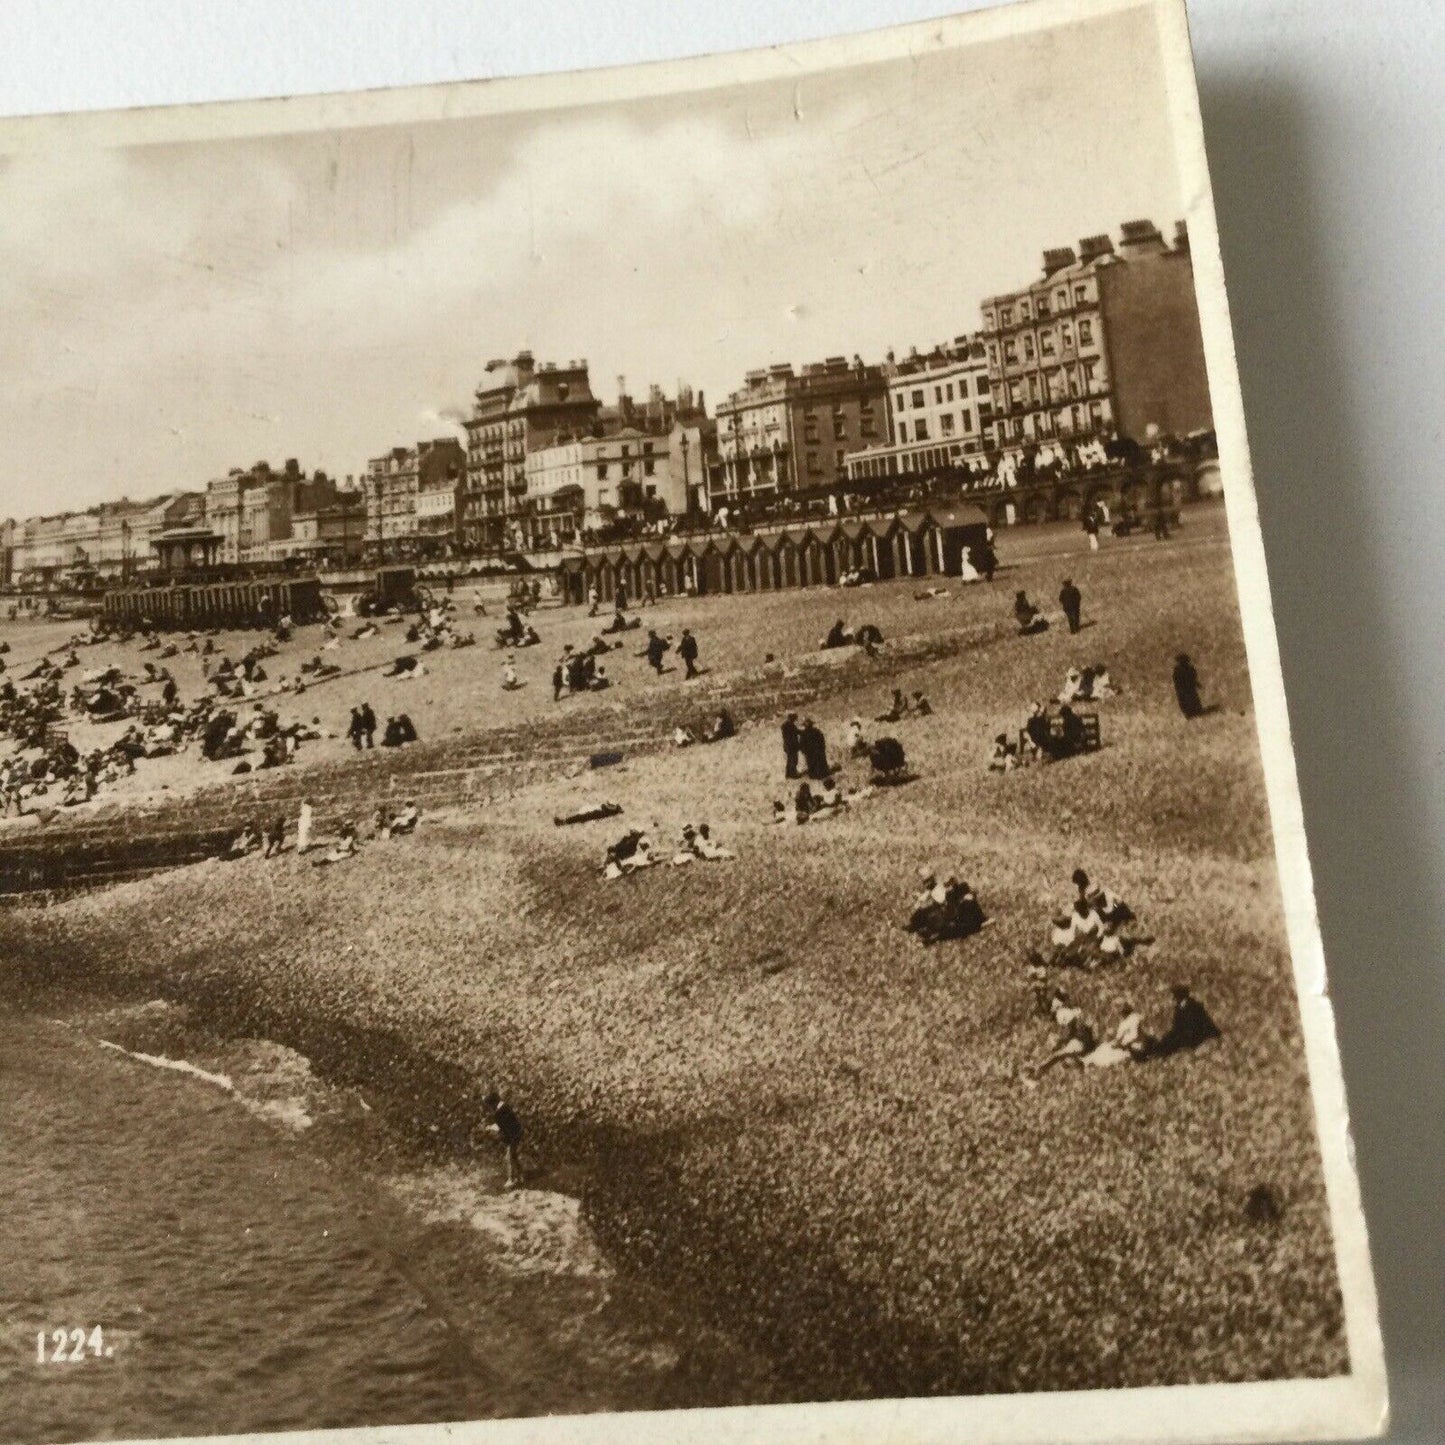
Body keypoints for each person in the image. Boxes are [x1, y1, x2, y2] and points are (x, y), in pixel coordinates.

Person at [1155, 984, 1221, 1056]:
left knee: (1170, 1043)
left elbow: (1195, 1027)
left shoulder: (1194, 1007)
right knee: (1166, 1041)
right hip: (1188, 1035)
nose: (1173, 998)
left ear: (1179, 997)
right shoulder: (1179, 1007)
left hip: (1198, 1037)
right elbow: (1177, 1026)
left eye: (1174, 996)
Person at [481, 1090, 525, 1189]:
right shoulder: (505, 1107)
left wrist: (490, 1128)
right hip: (516, 1133)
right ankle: (520, 1176)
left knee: (508, 1157)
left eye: (489, 1105)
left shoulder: (499, 1112)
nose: (489, 1108)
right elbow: (505, 1124)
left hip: (512, 1136)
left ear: (493, 1103)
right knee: (513, 1156)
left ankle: (511, 1179)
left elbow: (501, 1126)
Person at [1173, 653, 1204, 719]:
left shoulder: (1187, 668)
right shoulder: (1178, 670)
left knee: (1191, 698)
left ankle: (1193, 711)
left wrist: (1196, 683)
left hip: (1188, 688)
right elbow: (1177, 680)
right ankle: (1191, 712)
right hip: (1185, 688)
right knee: (1188, 699)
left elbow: (1193, 677)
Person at [781, 712, 801, 779]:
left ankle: (788, 774)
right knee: (794, 760)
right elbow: (796, 732)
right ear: (792, 718)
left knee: (789, 760)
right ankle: (793, 774)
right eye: (794, 718)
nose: (795, 720)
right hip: (792, 746)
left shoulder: (785, 725)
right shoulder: (791, 725)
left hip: (787, 746)